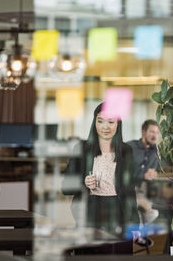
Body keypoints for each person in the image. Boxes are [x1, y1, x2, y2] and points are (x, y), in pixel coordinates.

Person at [62, 103, 139, 242]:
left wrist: (135, 225)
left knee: (118, 254)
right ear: (94, 122)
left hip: (118, 212)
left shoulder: (126, 150)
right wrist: (83, 182)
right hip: (89, 211)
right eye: (100, 121)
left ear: (118, 124)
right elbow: (65, 188)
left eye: (111, 121)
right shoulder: (82, 148)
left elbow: (130, 191)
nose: (105, 127)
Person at [127, 120, 160, 223]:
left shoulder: (156, 151)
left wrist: (154, 173)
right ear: (143, 132)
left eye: (156, 132)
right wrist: (143, 174)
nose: (154, 135)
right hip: (128, 188)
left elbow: (154, 171)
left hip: (146, 190)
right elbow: (122, 171)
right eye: (151, 132)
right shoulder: (130, 147)